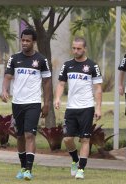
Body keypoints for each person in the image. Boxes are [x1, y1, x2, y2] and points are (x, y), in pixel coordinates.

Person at [2, 28, 52, 180]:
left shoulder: (41, 60)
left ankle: (28, 170)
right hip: (17, 103)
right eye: (22, 40)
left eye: (27, 41)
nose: (24, 43)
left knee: (30, 134)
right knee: (20, 136)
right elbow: (8, 76)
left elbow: (47, 81)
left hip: (33, 102)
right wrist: (5, 90)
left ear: (33, 42)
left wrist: (47, 103)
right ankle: (23, 167)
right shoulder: (14, 58)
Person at [54, 37, 102, 179]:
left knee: (85, 139)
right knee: (67, 139)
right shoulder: (67, 65)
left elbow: (98, 89)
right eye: (74, 48)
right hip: (71, 108)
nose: (76, 51)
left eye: (79, 48)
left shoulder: (93, 66)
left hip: (87, 107)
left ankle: (81, 169)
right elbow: (61, 84)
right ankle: (75, 160)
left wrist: (98, 108)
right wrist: (57, 98)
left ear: (84, 49)